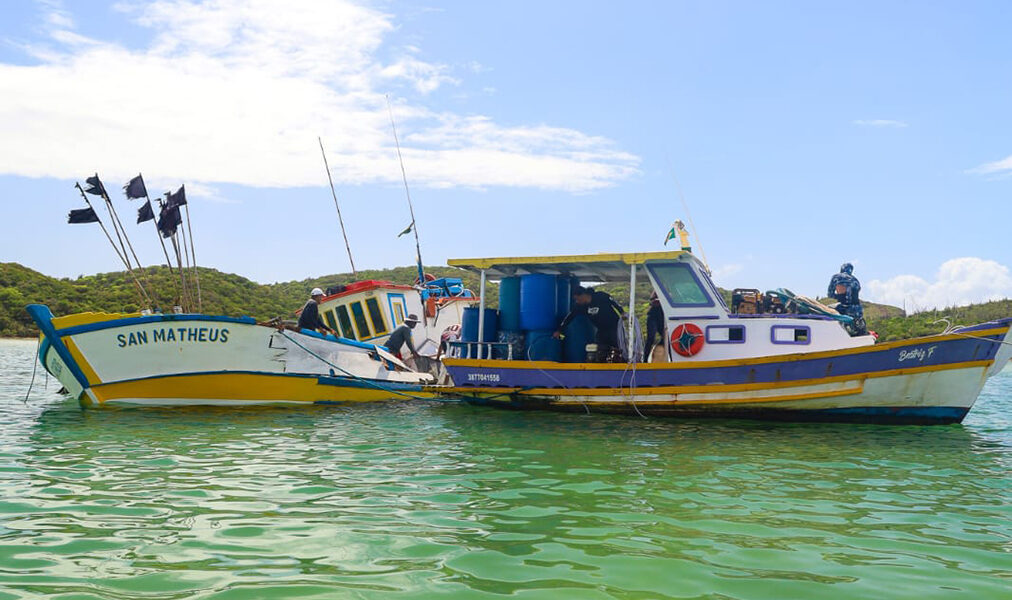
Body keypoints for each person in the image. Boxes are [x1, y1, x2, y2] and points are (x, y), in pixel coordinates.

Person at [554, 286, 625, 360]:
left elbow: (613, 301)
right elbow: (569, 317)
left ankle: (623, 363)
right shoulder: (580, 306)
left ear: (583, 295)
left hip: (614, 328)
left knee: (619, 349)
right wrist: (559, 330)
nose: (577, 301)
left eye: (577, 299)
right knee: (600, 350)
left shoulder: (600, 296)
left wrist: (622, 312)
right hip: (601, 330)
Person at [827, 263, 867, 335]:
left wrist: (838, 296)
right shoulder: (855, 280)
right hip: (857, 309)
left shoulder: (836, 277)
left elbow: (830, 294)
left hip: (843, 308)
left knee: (827, 309)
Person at [643, 291, 665, 361]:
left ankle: (664, 356)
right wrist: (657, 300)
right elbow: (652, 300)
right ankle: (645, 359)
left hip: (662, 317)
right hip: (653, 316)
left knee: (666, 338)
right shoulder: (657, 290)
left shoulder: (669, 290)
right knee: (651, 338)